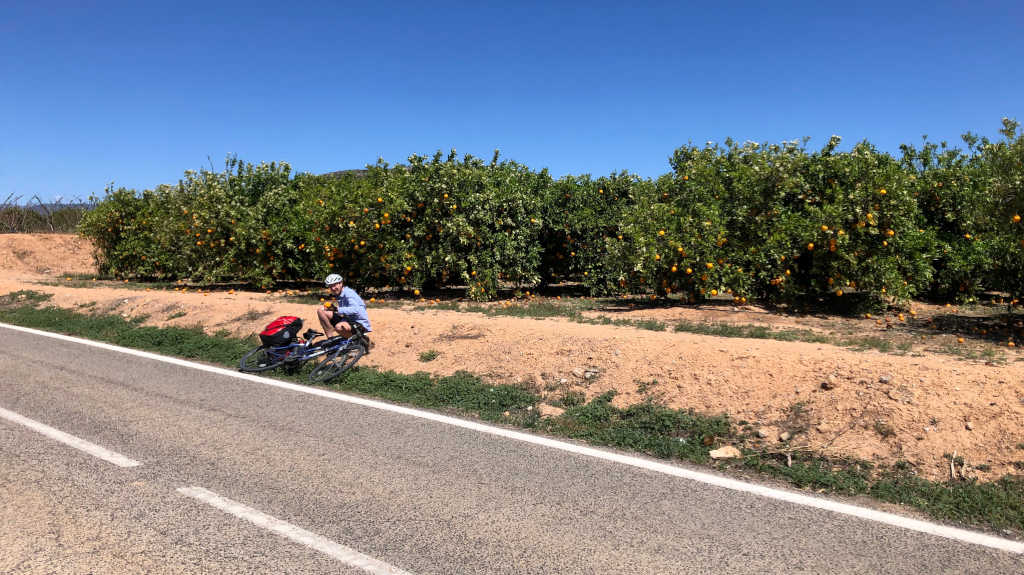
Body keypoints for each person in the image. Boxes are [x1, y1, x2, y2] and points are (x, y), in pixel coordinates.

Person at [317, 274, 372, 346]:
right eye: (330, 286)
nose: (333, 288)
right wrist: (333, 309)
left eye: (334, 285)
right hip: (348, 319)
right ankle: (331, 340)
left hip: (359, 323)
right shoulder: (340, 294)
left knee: (339, 327)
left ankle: (359, 341)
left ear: (341, 283)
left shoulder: (349, 293)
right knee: (321, 310)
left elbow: (355, 310)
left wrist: (336, 309)